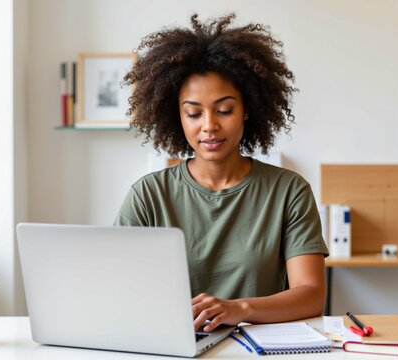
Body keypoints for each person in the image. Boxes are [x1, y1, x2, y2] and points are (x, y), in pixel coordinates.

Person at [114, 13, 328, 332]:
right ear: (178, 118)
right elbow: (119, 290)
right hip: (177, 346)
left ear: (247, 110)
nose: (209, 125)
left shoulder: (288, 190)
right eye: (193, 113)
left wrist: (237, 309)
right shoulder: (147, 195)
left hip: (263, 348)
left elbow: (310, 295)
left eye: (224, 110)